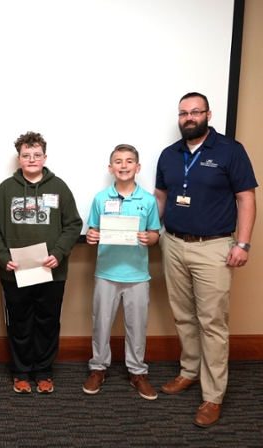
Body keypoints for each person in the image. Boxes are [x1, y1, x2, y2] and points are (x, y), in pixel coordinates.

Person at [155, 92, 257, 427]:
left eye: (195, 112)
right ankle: (189, 372)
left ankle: (213, 396)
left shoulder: (231, 151)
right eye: (183, 113)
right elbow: (161, 196)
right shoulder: (170, 155)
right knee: (183, 316)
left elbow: (245, 198)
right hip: (173, 244)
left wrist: (242, 243)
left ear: (208, 115)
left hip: (214, 247)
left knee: (212, 322)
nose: (188, 117)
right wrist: (154, 232)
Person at [0, 131, 82, 394]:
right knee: (19, 322)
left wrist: (59, 252)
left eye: (36, 155)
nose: (32, 159)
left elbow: (73, 225)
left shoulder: (59, 187)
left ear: (44, 157)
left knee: (47, 322)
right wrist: (3, 258)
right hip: (15, 273)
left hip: (51, 271)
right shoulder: (5, 189)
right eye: (26, 155)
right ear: (19, 159)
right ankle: (21, 371)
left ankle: (43, 371)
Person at [82, 144, 160, 400]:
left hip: (137, 275)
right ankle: (97, 368)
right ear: (110, 167)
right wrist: (92, 236)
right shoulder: (100, 198)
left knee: (137, 327)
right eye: (118, 161)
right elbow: (93, 231)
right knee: (101, 324)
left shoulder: (147, 200)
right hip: (106, 273)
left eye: (129, 162)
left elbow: (155, 235)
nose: (123, 165)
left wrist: (148, 238)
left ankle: (137, 372)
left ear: (137, 168)